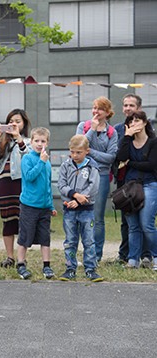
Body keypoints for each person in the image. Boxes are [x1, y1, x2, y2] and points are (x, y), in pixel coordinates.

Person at [76, 96, 118, 262]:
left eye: (99, 108)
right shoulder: (83, 126)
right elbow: (78, 147)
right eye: (94, 108)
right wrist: (91, 130)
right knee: (82, 216)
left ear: (107, 112)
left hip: (101, 176)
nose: (95, 111)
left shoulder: (111, 132)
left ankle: (96, 255)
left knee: (97, 217)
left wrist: (90, 152)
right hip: (83, 175)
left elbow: (110, 158)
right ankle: (85, 252)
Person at [113, 94, 152, 266]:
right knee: (128, 223)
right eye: (125, 105)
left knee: (145, 221)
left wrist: (132, 163)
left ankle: (147, 255)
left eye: (131, 105)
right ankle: (127, 255)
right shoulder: (119, 129)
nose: (128, 108)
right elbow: (118, 157)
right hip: (125, 182)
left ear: (139, 109)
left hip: (146, 182)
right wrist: (127, 137)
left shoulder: (150, 135)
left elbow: (151, 163)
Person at [57, 135, 103, 282]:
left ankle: (90, 269)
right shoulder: (65, 165)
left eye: (79, 152)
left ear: (87, 151)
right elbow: (61, 185)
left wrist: (81, 201)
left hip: (87, 211)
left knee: (89, 240)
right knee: (70, 241)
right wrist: (75, 196)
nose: (75, 155)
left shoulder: (92, 167)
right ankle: (70, 268)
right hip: (69, 211)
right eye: (72, 152)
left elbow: (93, 187)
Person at [0, 109, 31, 268]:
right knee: (7, 220)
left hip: (21, 183)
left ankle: (22, 257)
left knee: (23, 220)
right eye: (11, 121)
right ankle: (9, 257)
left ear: (24, 124)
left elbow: (27, 155)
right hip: (4, 183)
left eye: (18, 121)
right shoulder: (3, 142)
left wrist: (18, 138)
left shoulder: (28, 141)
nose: (14, 124)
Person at [16, 127, 57, 280]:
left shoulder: (46, 160)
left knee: (45, 237)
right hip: (29, 205)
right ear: (31, 142)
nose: (40, 144)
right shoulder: (28, 158)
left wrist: (51, 205)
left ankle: (46, 265)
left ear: (47, 142)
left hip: (44, 207)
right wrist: (41, 162)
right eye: (37, 141)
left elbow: (47, 185)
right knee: (25, 236)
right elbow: (29, 176)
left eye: (43, 141)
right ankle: (20, 264)